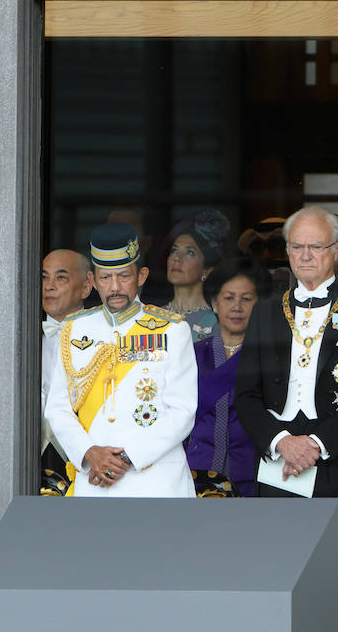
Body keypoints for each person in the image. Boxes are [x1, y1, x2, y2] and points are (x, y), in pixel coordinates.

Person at [233, 206, 338, 589]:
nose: (304, 255)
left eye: (315, 247)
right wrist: (282, 442)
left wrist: (317, 445)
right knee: (276, 577)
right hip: (277, 461)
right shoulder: (266, 312)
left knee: (334, 581)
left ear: (337, 250)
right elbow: (246, 394)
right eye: (296, 246)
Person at [44, 223, 197, 498]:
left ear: (142, 276)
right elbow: (57, 408)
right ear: (92, 280)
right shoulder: (74, 330)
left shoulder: (172, 330)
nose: (114, 287)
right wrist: (89, 453)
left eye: (124, 276)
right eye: (105, 278)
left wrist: (126, 457)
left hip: (157, 481)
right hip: (94, 481)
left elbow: (183, 411)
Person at [185, 258, 272, 497]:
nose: (237, 307)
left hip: (252, 477)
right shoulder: (191, 356)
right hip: (195, 477)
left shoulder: (270, 360)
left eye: (246, 299)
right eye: (228, 298)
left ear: (259, 304)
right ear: (214, 302)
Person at [39, 249, 94, 472]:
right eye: (44, 277)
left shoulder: (102, 336)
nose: (49, 285)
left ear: (86, 287)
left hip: (86, 456)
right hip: (30, 454)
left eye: (61, 277)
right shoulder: (20, 335)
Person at [163, 211, 230, 341]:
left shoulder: (217, 322)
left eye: (190, 252)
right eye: (174, 250)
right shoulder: (152, 318)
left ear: (207, 269)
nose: (177, 258)